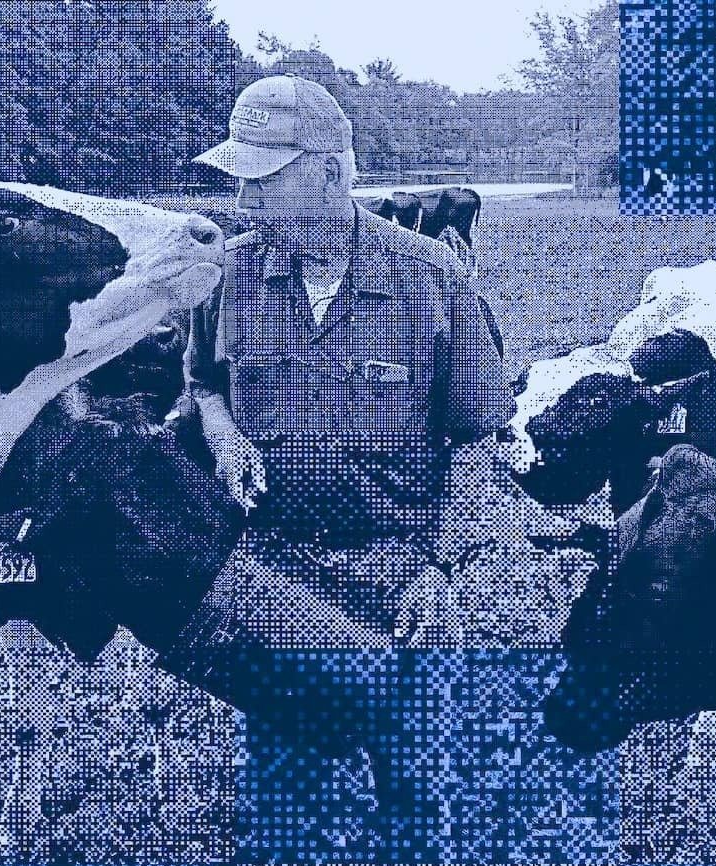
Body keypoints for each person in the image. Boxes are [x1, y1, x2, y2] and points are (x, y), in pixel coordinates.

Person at [185, 75, 512, 646]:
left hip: (398, 574)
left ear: (329, 174)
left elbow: (477, 439)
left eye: (262, 180)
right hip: (265, 573)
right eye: (240, 179)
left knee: (404, 729)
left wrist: (438, 568)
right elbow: (203, 383)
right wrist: (224, 435)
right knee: (288, 731)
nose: (242, 201)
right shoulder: (228, 274)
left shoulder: (433, 277)